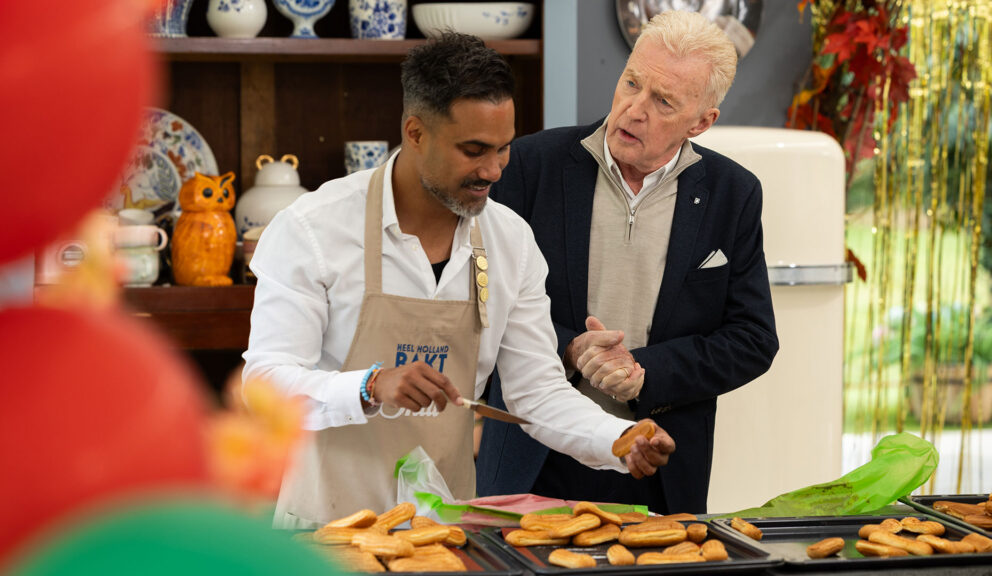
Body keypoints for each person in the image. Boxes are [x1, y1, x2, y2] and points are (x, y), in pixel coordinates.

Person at [241, 32, 677, 529]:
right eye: (473, 150)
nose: (492, 170)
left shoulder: (511, 242)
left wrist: (618, 439)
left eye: (504, 149)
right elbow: (264, 386)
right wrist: (369, 386)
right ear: (415, 132)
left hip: (440, 533)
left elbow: (536, 392)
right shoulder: (312, 229)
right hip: (324, 532)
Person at [476, 11, 779, 514]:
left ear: (702, 122)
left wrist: (646, 372)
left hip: (657, 465)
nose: (633, 110)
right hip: (533, 460)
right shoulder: (529, 166)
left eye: (663, 101)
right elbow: (481, 303)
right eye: (632, 83)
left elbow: (752, 339)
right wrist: (569, 348)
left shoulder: (734, 193)